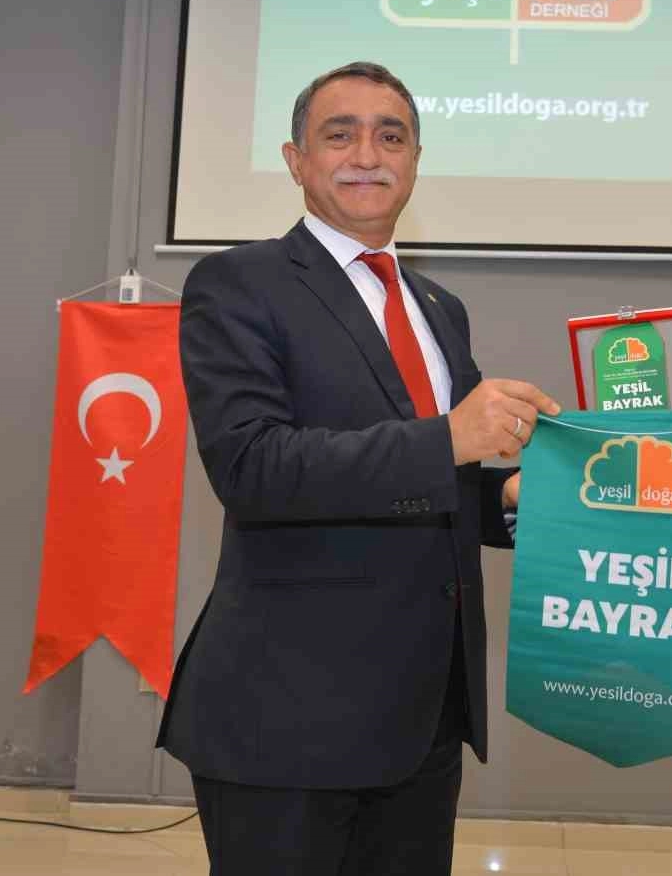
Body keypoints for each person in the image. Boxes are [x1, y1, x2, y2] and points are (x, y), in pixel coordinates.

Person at [156, 61, 559, 876]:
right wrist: (449, 438)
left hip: (424, 721)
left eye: (391, 136)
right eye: (339, 134)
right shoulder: (238, 283)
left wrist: (517, 497)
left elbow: (437, 483)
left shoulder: (439, 308)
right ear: (296, 159)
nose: (368, 154)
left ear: (416, 160)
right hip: (287, 721)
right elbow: (253, 466)